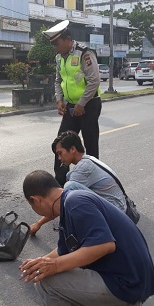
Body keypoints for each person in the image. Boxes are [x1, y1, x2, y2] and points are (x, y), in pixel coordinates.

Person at [20, 170, 154, 306]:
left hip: (127, 287)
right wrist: (39, 262)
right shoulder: (72, 201)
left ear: (35, 200)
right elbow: (64, 251)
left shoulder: (75, 203)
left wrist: (53, 267)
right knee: (54, 267)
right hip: (134, 284)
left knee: (45, 281)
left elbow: (104, 245)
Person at [30, 130, 126, 236]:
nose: (59, 158)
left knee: (70, 188)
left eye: (60, 153)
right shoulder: (88, 159)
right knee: (70, 181)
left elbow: (61, 201)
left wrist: (38, 223)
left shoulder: (83, 168)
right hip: (118, 208)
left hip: (117, 214)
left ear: (72, 149)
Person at [43, 20, 102, 187]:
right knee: (61, 144)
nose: (55, 46)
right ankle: (60, 182)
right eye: (52, 44)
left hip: (89, 105)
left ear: (68, 39)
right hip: (70, 106)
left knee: (90, 145)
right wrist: (59, 100)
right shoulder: (59, 58)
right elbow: (58, 80)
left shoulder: (84, 54)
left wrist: (82, 104)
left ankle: (93, 181)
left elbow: (94, 80)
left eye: (57, 43)